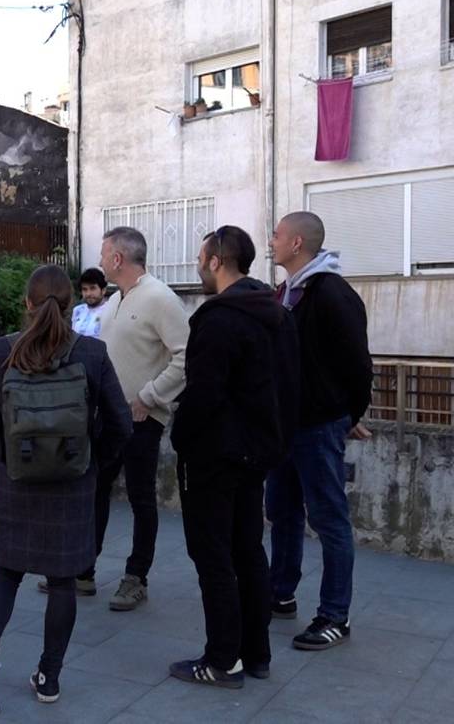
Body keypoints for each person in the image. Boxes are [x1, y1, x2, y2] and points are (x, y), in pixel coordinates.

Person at [0, 264, 131, 714]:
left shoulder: (2, 351)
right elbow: (120, 423)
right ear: (70, 304)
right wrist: (94, 464)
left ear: (27, 303)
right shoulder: (92, 353)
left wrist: (1, 461)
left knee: (5, 572)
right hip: (73, 484)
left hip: (18, 481)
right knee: (62, 583)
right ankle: (49, 676)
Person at [168, 227, 300, 688]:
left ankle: (223, 660)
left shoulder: (219, 318)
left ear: (217, 261)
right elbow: (287, 384)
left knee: (213, 556)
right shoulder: (274, 312)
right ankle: (256, 653)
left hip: (215, 456)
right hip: (256, 453)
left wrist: (180, 437)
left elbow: (203, 393)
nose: (198, 266)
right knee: (247, 551)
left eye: (201, 257)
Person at [266, 211, 373, 651]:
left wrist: (347, 416)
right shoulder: (287, 291)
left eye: (276, 235)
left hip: (317, 428)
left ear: (296, 244)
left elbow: (357, 364)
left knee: (329, 519)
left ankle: (334, 616)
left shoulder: (330, 292)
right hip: (285, 427)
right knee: (282, 511)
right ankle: (281, 592)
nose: (270, 241)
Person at [78, 226, 188, 610]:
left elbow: (186, 357)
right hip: (106, 416)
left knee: (141, 498)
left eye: (104, 253)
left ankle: (135, 576)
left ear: (119, 258)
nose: (100, 260)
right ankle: (84, 569)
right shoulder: (113, 300)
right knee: (95, 491)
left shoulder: (161, 298)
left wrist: (150, 396)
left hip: (142, 418)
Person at [71, 267, 108, 338]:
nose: (88, 293)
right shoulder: (77, 310)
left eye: (92, 288)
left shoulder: (110, 310)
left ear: (103, 290)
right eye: (85, 289)